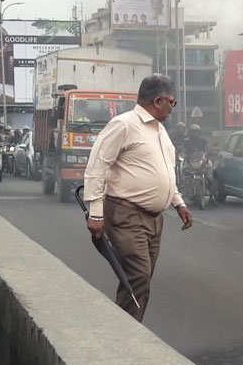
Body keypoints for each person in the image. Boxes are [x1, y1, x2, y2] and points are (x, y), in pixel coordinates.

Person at [84, 74, 193, 322]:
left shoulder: (160, 130)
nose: (173, 108)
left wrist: (178, 203)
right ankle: (124, 335)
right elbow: (97, 167)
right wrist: (96, 213)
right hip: (126, 213)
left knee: (142, 280)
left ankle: (130, 328)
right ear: (158, 100)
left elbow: (164, 172)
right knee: (138, 275)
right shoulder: (124, 125)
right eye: (172, 103)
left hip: (155, 219)